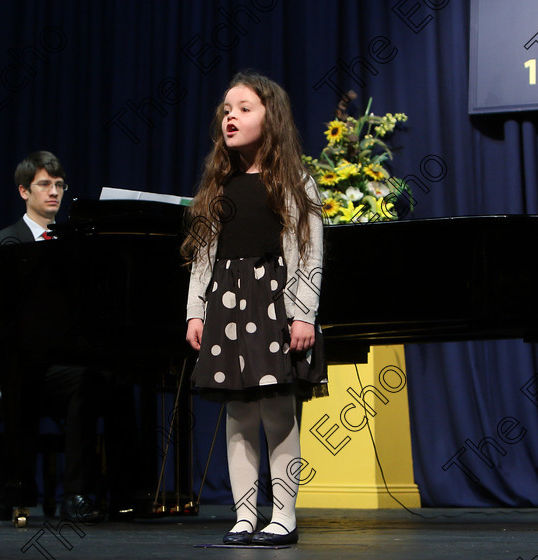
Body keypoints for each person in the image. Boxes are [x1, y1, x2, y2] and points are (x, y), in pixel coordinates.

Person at [182, 72, 327, 546]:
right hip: (226, 302)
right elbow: (204, 252)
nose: (231, 117)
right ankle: (245, 514)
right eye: (226, 110)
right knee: (238, 412)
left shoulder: (292, 180)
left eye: (244, 108)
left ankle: (282, 513)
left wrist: (303, 312)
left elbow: (308, 251)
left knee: (276, 408)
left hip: (272, 302)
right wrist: (195, 312)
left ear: (271, 117)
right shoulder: (219, 182)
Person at [0, 151, 106, 523]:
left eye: (59, 185)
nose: (54, 192)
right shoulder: (2, 242)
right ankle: (18, 493)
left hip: (59, 361)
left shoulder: (76, 244)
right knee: (22, 382)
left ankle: (77, 496)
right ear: (24, 191)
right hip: (17, 360)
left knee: (91, 379)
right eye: (44, 185)